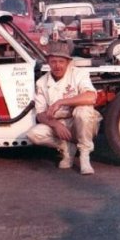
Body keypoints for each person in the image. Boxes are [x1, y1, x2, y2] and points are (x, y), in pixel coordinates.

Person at [26, 41, 102, 175]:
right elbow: (40, 113)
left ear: (68, 62)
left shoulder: (78, 74)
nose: (57, 66)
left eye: (61, 61)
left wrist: (61, 102)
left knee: (82, 111)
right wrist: (55, 125)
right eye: (53, 61)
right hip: (60, 123)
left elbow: (91, 97)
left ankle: (85, 156)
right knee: (34, 134)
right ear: (48, 62)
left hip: (80, 122)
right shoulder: (42, 82)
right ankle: (67, 149)